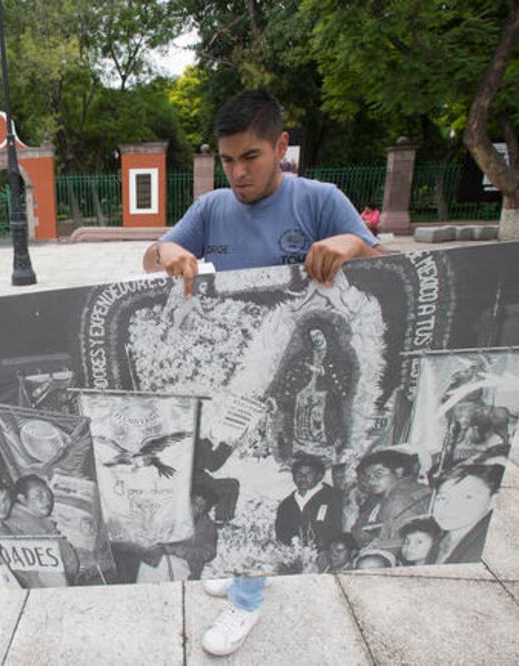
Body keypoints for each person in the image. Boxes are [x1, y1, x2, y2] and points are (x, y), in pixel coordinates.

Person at [143, 88, 384, 657]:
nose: (237, 172)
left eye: (250, 157)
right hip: (238, 382)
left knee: (267, 490)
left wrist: (348, 243)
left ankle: (246, 602)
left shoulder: (319, 200)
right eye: (227, 160)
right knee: (231, 480)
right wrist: (167, 253)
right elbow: (154, 254)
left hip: (296, 382)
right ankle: (236, 564)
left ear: (281, 146)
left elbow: (380, 265)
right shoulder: (211, 209)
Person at [2, 475, 81, 585]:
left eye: (48, 495)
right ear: (22, 498)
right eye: (39, 496)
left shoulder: (37, 519)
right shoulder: (19, 525)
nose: (47, 501)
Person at [350, 449, 431, 554]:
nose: (371, 481)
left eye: (378, 474)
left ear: (399, 472)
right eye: (368, 477)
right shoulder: (417, 488)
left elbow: (396, 544)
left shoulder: (397, 499)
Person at [427, 464, 503, 564]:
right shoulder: (443, 539)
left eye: (467, 497)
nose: (449, 507)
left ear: (493, 501)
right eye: (442, 498)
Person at [274, 456, 343, 549]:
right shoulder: (286, 504)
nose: (303, 477)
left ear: (319, 476)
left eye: (309, 474)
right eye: (299, 473)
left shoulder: (333, 497)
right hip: (293, 554)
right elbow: (281, 532)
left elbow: (337, 529)